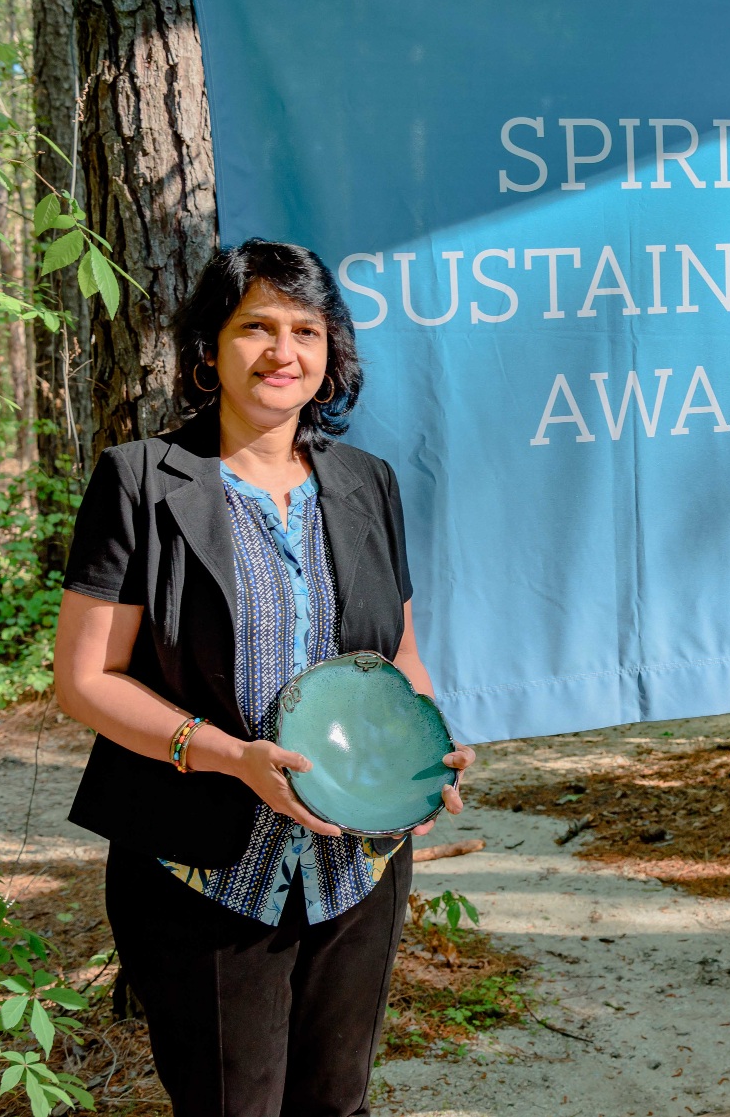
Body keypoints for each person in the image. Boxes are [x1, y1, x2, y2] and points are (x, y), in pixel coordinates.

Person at [53, 238, 475, 1117]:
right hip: (200, 859)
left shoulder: (367, 482)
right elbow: (86, 678)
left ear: (331, 355)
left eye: (306, 330)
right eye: (257, 327)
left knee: (338, 1102)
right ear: (209, 347)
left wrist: (425, 746)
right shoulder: (139, 482)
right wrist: (227, 755)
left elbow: (397, 654)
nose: (284, 352)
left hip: (355, 861)